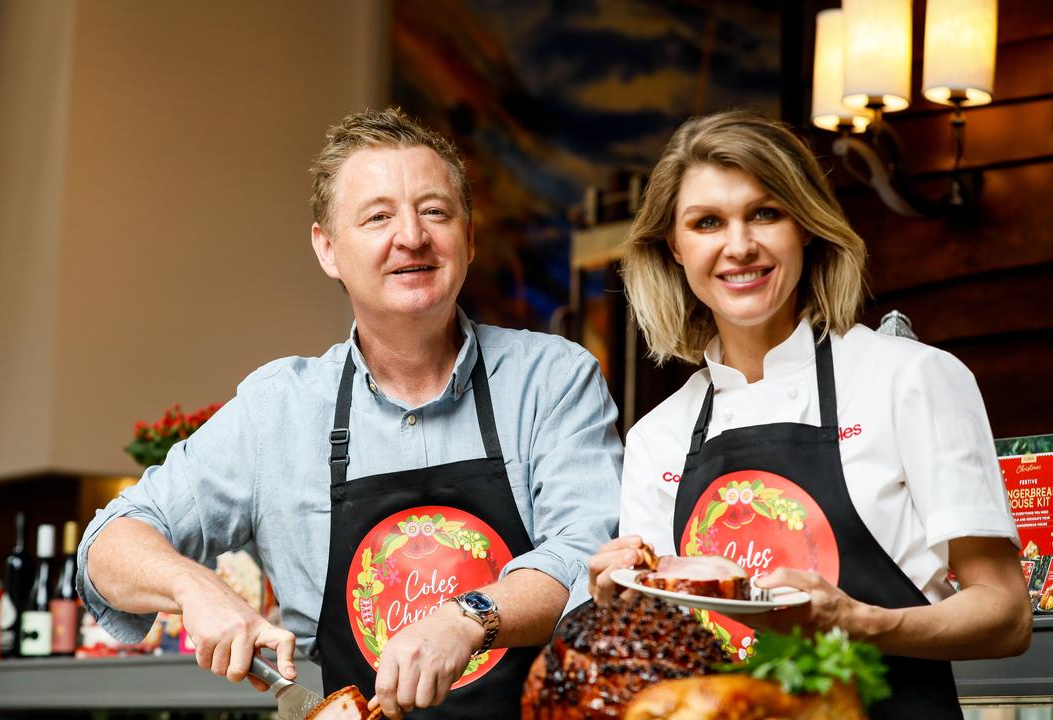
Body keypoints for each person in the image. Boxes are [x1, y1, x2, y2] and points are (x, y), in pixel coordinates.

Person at [79, 107, 622, 719]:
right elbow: (109, 541)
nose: (412, 236)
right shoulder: (279, 408)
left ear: (468, 239)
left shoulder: (552, 376)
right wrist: (194, 587)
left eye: (435, 211)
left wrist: (468, 618)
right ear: (328, 249)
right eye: (378, 217)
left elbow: (588, 555)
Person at [587, 110, 1031, 718]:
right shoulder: (657, 438)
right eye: (707, 222)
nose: (738, 246)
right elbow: (672, 657)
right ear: (675, 246)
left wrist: (858, 620)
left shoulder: (910, 379)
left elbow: (1005, 615)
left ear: (806, 227)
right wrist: (623, 608)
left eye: (765, 213)